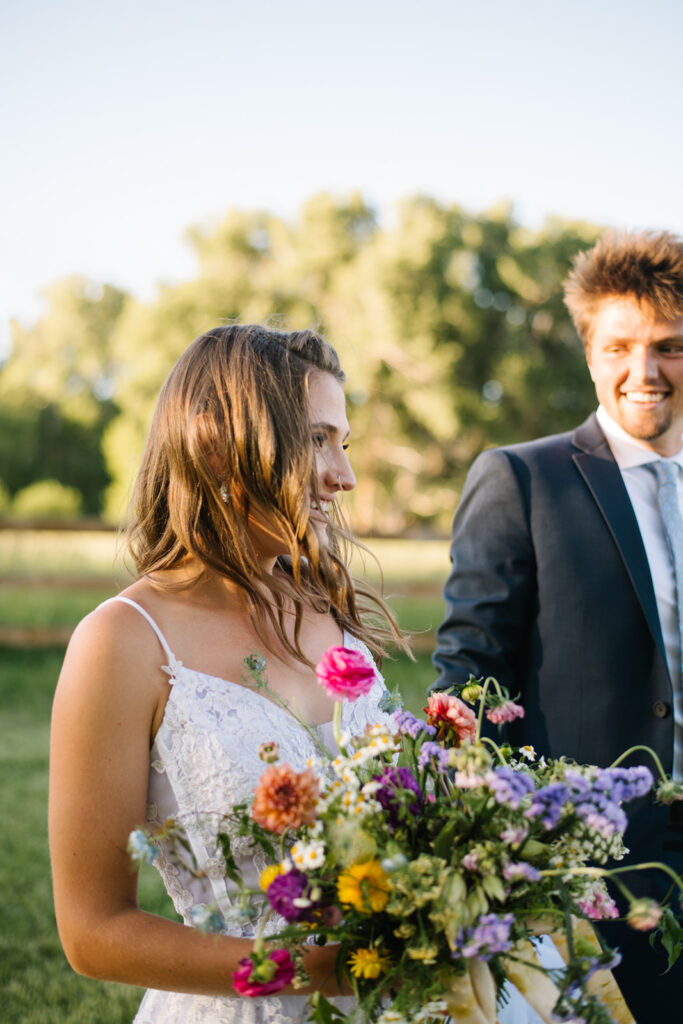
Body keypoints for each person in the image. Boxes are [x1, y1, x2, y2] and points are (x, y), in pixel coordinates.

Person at [48, 324, 406, 1023]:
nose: (344, 474)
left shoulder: (322, 609)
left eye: (344, 442)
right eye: (315, 440)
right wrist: (321, 970)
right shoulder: (120, 642)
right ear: (216, 440)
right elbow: (94, 935)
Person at [433, 229, 683, 1020]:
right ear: (588, 353)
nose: (642, 372)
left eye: (669, 347)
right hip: (593, 870)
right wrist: (497, 861)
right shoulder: (521, 479)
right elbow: (468, 681)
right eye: (619, 346)